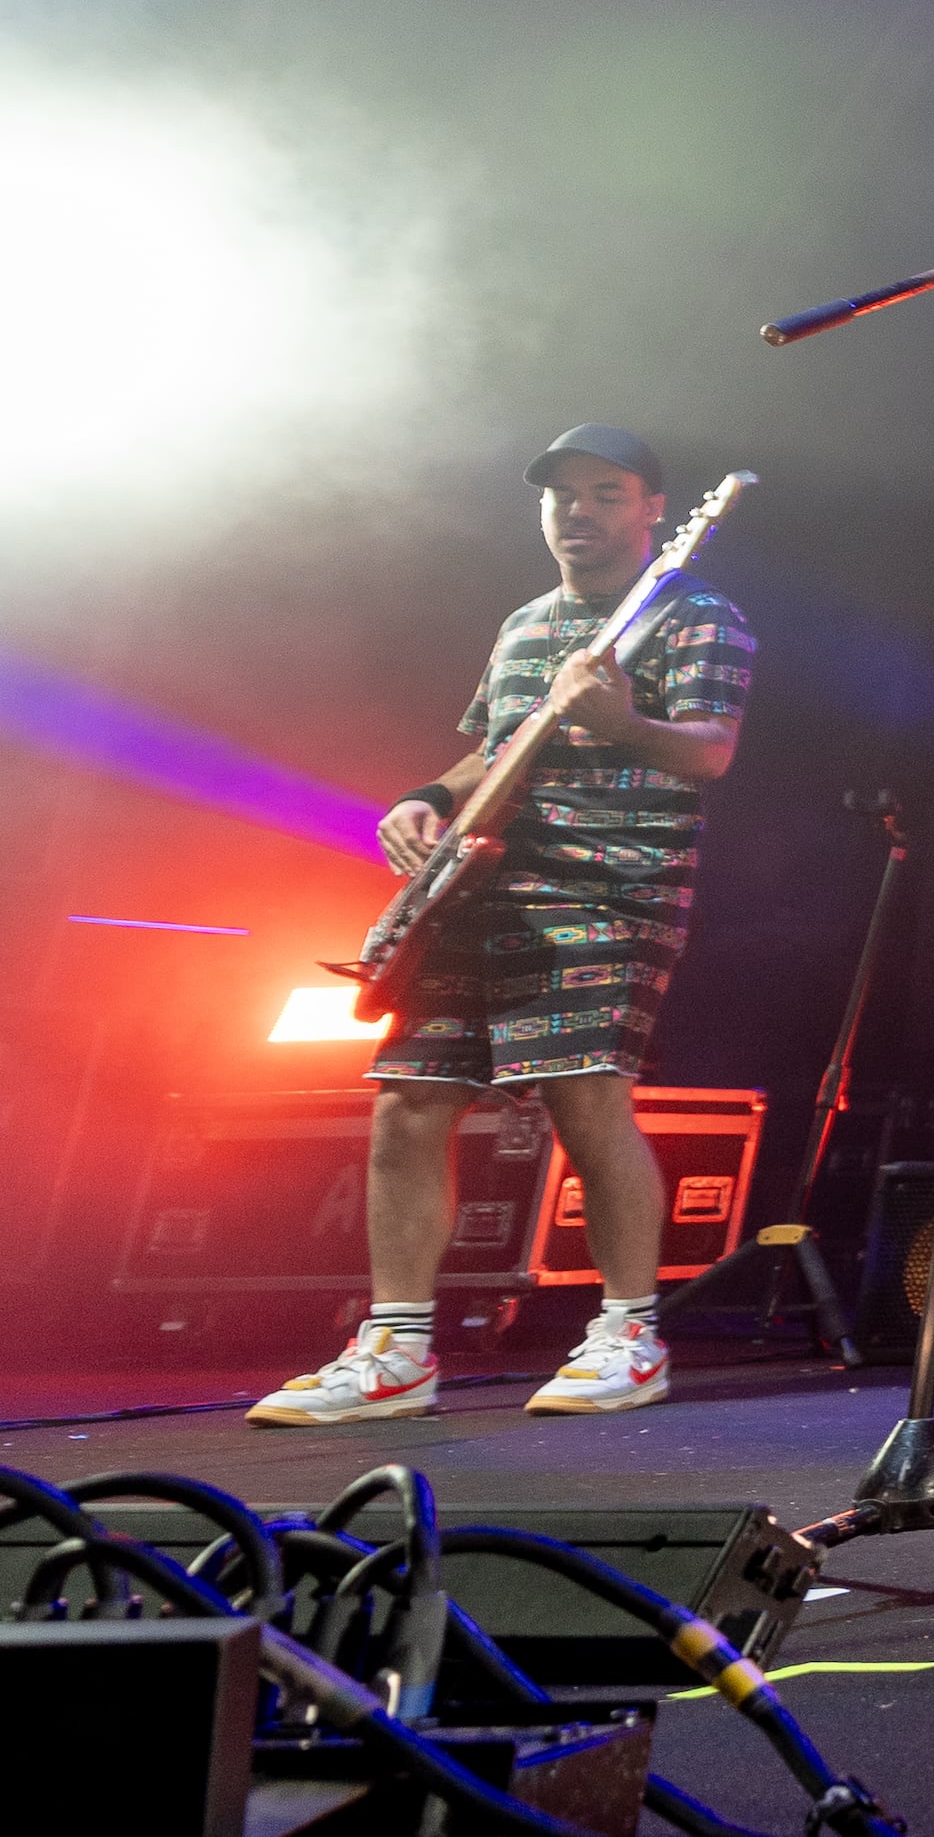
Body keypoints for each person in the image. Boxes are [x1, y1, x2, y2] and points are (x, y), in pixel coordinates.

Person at [252, 427, 751, 1426]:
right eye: (563, 495)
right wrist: (423, 795)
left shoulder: (699, 617)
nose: (580, 511)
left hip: (611, 890)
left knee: (584, 1099)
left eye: (606, 493)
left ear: (653, 508)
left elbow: (709, 752)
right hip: (481, 891)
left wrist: (622, 724)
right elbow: (497, 749)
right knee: (408, 1100)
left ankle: (629, 1332)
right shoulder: (526, 624)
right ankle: (394, 1348)